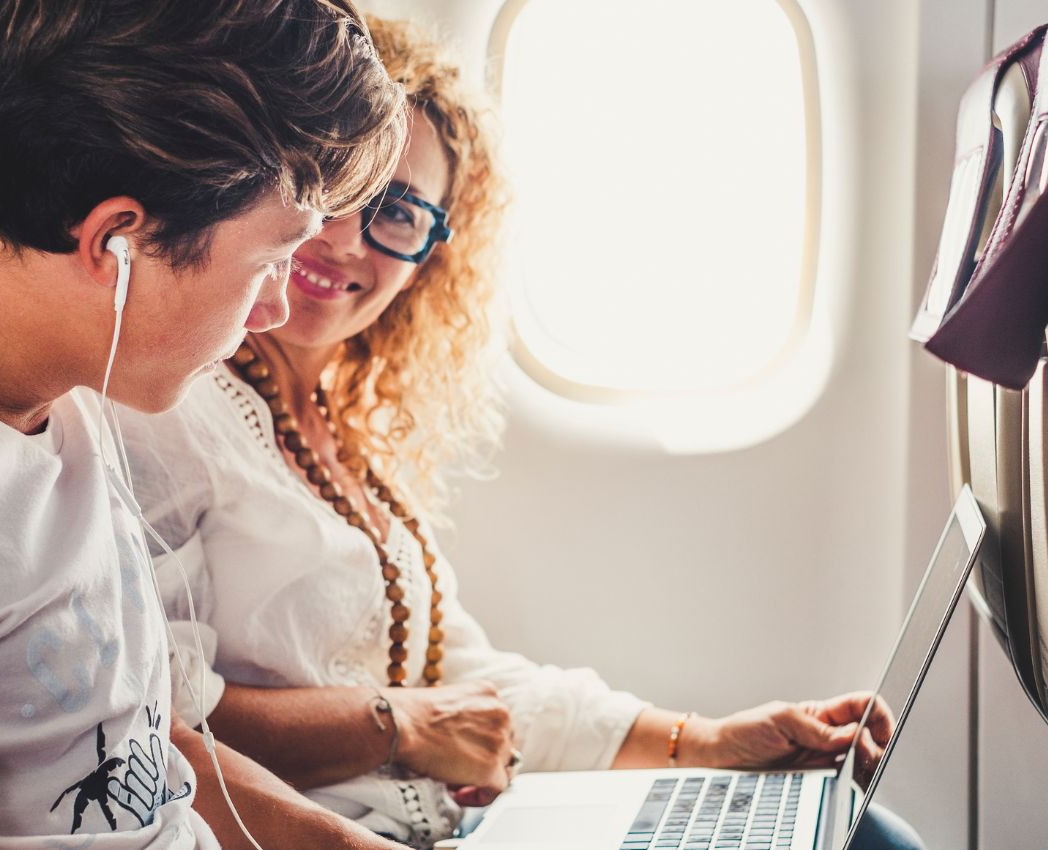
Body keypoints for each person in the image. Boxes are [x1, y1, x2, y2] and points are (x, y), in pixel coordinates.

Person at [120, 16, 924, 850]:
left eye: (397, 212)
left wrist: (707, 740)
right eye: (335, 189)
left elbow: (464, 678)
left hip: (448, 821)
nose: (347, 239)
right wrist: (394, 725)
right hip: (332, 832)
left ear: (432, 252)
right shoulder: (174, 410)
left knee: (862, 832)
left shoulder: (339, 432)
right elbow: (157, 717)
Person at [0, 1, 418, 848]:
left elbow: (130, 761)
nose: (271, 309)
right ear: (116, 242)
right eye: (270, 259)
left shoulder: (68, 395)